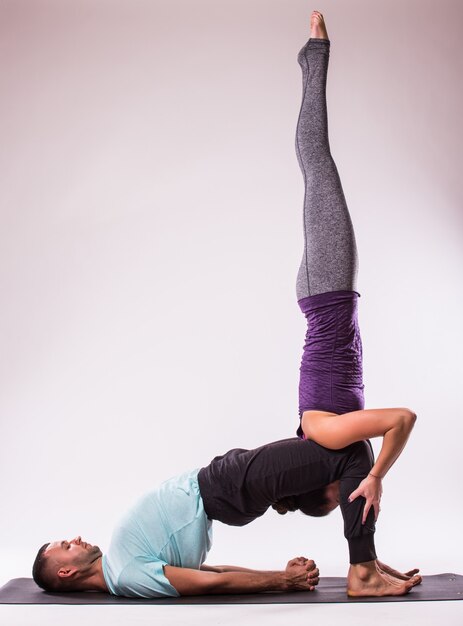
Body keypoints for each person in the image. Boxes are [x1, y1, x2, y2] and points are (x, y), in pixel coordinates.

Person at [31, 11, 420, 599]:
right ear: (64, 570)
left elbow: (399, 422)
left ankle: (313, 60)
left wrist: (369, 484)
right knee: (319, 173)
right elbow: (204, 581)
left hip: (323, 301)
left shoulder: (325, 428)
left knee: (319, 171)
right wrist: (286, 573)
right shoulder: (127, 574)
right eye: (63, 545)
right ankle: (366, 569)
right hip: (325, 301)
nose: (73, 537)